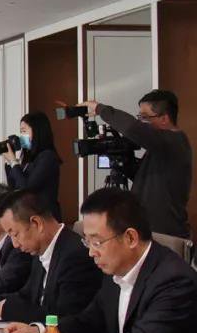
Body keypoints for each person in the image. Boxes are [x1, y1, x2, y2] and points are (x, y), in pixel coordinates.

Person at [6, 188, 197, 333]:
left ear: (130, 238)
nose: (91, 252)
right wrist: (43, 332)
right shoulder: (115, 268)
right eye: (87, 242)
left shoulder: (174, 280)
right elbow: (89, 320)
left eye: (97, 242)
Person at [0, 190, 102, 323]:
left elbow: (62, 316)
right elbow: (26, 295)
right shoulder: (42, 249)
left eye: (15, 234)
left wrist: (3, 310)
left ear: (36, 223)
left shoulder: (75, 256)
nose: (15, 244)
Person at [80, 90, 192, 238]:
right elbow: (148, 179)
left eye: (144, 117)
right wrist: (123, 163)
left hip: (165, 234)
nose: (141, 122)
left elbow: (132, 128)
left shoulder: (173, 142)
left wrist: (100, 109)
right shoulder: (163, 145)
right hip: (152, 229)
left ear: (164, 119)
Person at [1, 111, 62, 220]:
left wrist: (14, 162)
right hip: (29, 216)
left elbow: (27, 189)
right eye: (20, 132)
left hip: (45, 217)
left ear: (38, 131)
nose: (21, 136)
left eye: (24, 131)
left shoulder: (47, 157)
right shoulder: (28, 159)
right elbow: (14, 188)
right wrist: (9, 162)